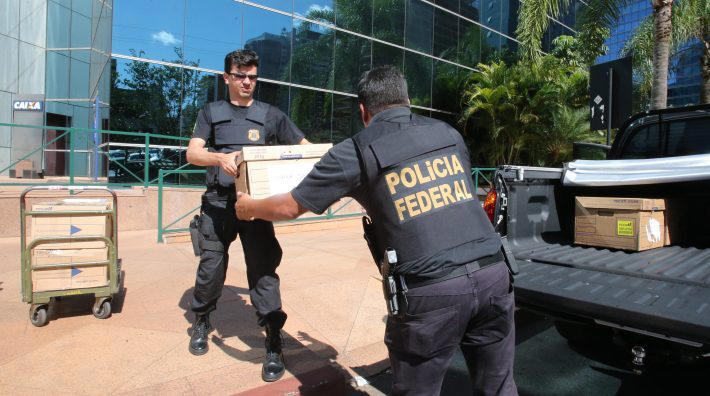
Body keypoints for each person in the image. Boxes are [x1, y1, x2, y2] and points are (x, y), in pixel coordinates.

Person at [235, 66, 517, 395]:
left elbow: (289, 206)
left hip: (431, 291)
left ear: (363, 110)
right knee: (498, 388)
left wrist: (248, 207)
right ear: (407, 100)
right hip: (494, 274)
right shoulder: (448, 132)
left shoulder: (354, 150)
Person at [185, 49, 309, 382]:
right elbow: (192, 152)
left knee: (263, 271)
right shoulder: (210, 112)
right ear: (226, 77)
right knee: (211, 266)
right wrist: (217, 159)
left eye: (252, 76)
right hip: (217, 204)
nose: (246, 82)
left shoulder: (271, 115)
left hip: (255, 206)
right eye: (240, 75)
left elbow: (303, 146)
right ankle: (201, 322)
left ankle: (272, 339)